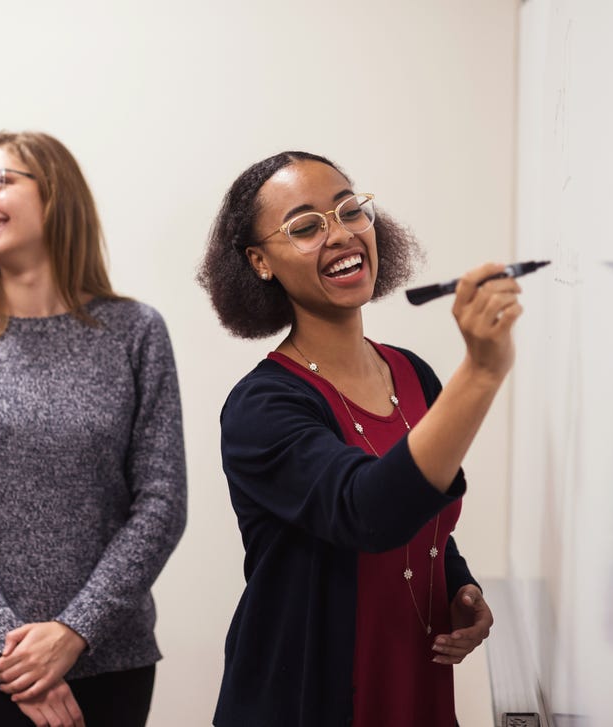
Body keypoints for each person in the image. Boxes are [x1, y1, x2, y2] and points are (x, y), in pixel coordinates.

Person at [198, 151, 514, 726]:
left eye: (350, 210)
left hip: (414, 684)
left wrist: (459, 586)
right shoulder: (261, 408)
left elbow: (425, 516)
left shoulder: (413, 373)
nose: (341, 235)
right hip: (310, 704)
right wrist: (483, 371)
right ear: (260, 262)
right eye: (305, 226)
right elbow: (369, 512)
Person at [0, 131, 187, 727]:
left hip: (109, 665)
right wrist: (17, 653)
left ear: (55, 196)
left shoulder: (135, 332)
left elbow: (161, 503)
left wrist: (74, 631)